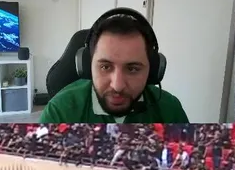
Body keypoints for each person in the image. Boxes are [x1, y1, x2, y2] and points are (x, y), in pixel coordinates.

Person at [41, 9, 188, 124]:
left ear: (153, 70)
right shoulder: (59, 113)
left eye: (133, 69)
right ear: (87, 66)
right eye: (105, 67)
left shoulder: (170, 111)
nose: (118, 86)